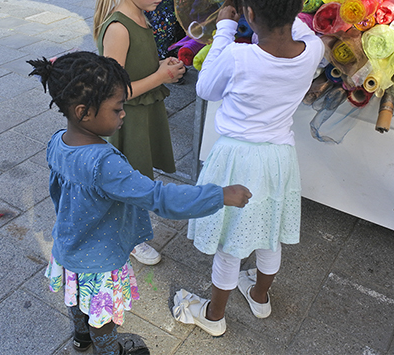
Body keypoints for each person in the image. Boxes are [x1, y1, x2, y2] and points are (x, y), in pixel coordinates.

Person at [28, 51, 251, 355]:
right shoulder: (104, 164)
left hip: (67, 246)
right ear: (83, 112)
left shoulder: (57, 142)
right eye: (117, 109)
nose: (123, 115)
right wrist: (219, 195)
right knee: (103, 316)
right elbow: (159, 198)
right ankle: (109, 350)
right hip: (100, 259)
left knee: (78, 297)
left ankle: (81, 338)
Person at [171, 0, 324, 336]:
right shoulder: (313, 50)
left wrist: (224, 27)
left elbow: (205, 88)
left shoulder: (239, 57)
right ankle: (258, 297)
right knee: (268, 231)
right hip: (278, 157)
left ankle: (213, 317)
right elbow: (297, 24)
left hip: (236, 158)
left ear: (249, 15)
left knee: (231, 242)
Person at [93, 0, 186, 267]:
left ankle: (126, 226)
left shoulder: (141, 16)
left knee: (138, 178)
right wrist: (160, 77)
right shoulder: (118, 28)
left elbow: (140, 67)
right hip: (127, 120)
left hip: (143, 114)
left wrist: (162, 67)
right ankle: (126, 236)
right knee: (129, 181)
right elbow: (114, 92)